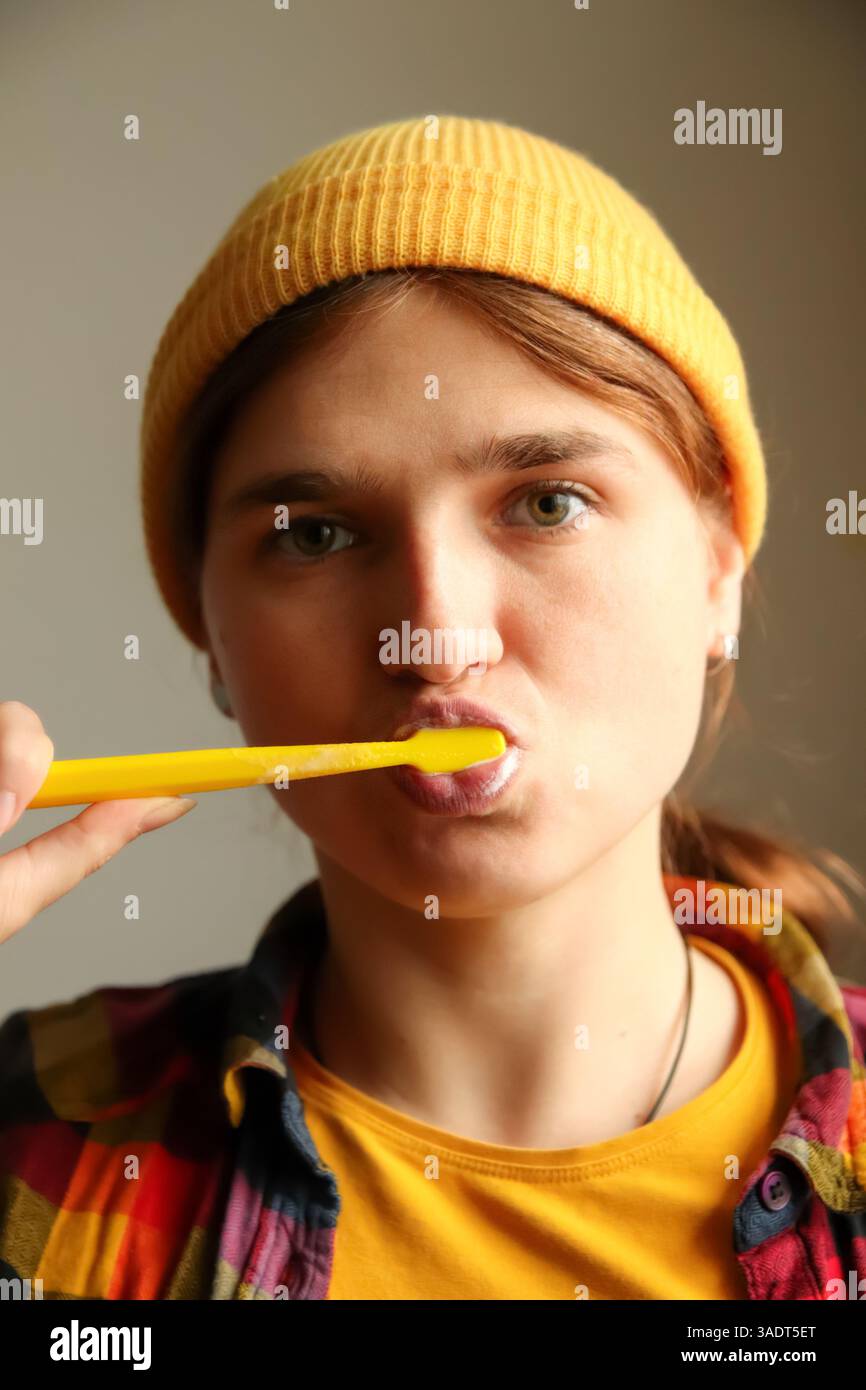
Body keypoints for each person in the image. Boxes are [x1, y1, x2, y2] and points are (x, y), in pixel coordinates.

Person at [1, 115, 864, 1302]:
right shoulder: (32, 1139)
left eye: (547, 503)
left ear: (718, 569)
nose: (434, 634)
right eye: (313, 535)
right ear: (208, 636)